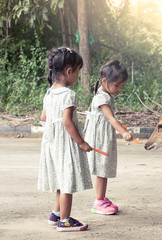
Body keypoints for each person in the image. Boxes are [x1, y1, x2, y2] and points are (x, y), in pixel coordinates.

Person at [38, 47, 92, 232]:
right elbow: (68, 122)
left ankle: (55, 214)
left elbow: (44, 117)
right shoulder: (69, 95)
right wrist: (82, 142)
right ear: (69, 71)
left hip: (51, 142)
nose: (78, 75)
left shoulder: (49, 93)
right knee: (67, 181)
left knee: (60, 180)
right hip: (64, 143)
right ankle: (65, 221)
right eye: (78, 71)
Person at [84, 59, 132, 215]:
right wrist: (123, 132)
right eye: (116, 85)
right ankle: (98, 202)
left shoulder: (104, 92)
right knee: (102, 169)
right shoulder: (102, 97)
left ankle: (101, 198)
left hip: (103, 135)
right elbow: (110, 118)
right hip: (100, 138)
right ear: (104, 81)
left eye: (122, 86)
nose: (119, 89)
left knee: (104, 169)